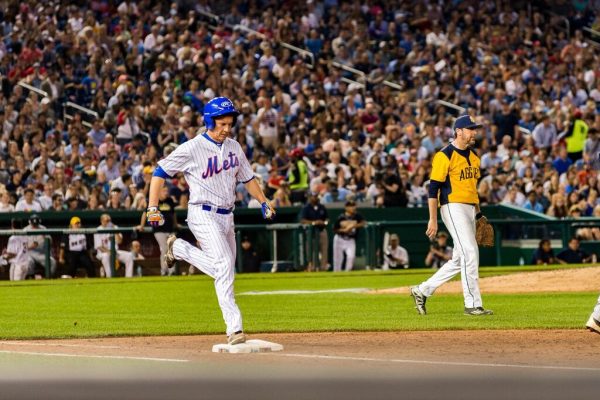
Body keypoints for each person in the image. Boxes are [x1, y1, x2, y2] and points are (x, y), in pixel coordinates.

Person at [145, 97, 276, 346]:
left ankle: (180, 248)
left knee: (224, 270)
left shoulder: (234, 147)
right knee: (225, 264)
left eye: (229, 123)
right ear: (209, 121)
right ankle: (234, 328)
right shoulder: (192, 148)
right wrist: (153, 206)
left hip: (228, 216)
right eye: (222, 123)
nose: (227, 128)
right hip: (202, 213)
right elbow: (159, 172)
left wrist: (263, 200)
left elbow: (247, 178)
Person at [410, 115, 493, 316]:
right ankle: (472, 304)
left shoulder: (474, 157)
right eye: (470, 129)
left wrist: (479, 214)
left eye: (475, 129)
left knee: (459, 258)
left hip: (470, 209)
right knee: (470, 253)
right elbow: (433, 190)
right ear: (459, 131)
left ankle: (422, 290)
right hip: (452, 206)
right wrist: (433, 219)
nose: (474, 132)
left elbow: (473, 190)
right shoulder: (444, 155)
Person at [137, 185, 178, 276]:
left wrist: (176, 224)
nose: (166, 193)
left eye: (167, 191)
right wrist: (142, 225)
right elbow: (145, 213)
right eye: (164, 191)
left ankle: (172, 271)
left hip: (170, 228)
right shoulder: (153, 201)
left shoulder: (170, 200)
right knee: (164, 249)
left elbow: (173, 213)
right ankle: (164, 271)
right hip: (158, 230)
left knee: (172, 249)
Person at [94, 213, 135, 278]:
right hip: (103, 253)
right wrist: (109, 252)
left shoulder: (114, 227)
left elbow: (119, 241)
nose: (108, 222)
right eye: (106, 220)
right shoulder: (98, 229)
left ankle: (128, 277)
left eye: (109, 220)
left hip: (115, 252)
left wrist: (114, 229)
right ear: (101, 221)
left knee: (129, 256)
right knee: (105, 256)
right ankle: (109, 277)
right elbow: (99, 247)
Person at [332, 200, 366, 272]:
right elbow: (335, 229)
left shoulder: (357, 216)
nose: (353, 208)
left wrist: (353, 226)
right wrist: (343, 230)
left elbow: (363, 223)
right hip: (340, 239)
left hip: (350, 240)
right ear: (346, 207)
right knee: (338, 260)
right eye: (351, 206)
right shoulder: (341, 217)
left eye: (354, 205)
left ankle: (347, 274)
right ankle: (336, 275)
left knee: (351, 257)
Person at [300, 191, 329, 272]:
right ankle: (310, 267)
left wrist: (324, 222)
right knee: (310, 250)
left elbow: (327, 219)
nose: (315, 198)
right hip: (310, 232)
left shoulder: (322, 207)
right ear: (309, 197)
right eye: (313, 196)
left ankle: (323, 267)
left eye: (316, 196)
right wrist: (314, 222)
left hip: (321, 230)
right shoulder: (306, 207)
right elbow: (302, 220)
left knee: (324, 249)